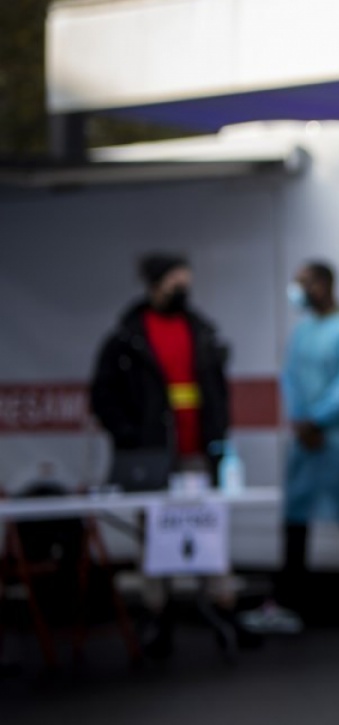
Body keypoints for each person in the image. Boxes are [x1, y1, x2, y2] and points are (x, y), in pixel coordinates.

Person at [89, 252, 259, 658]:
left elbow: (216, 389)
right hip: (151, 452)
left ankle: (222, 606)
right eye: (175, 282)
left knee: (206, 527)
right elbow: (104, 394)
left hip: (195, 450)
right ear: (155, 285)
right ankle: (156, 612)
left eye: (186, 282)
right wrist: (129, 435)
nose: (183, 290)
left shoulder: (200, 331)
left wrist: (218, 432)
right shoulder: (129, 337)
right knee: (154, 535)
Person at [240, 261, 339, 636]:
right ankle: (287, 602)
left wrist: (320, 419)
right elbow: (290, 378)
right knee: (295, 517)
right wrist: (301, 420)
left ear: (324, 284)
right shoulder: (303, 331)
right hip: (308, 439)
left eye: (304, 283)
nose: (299, 291)